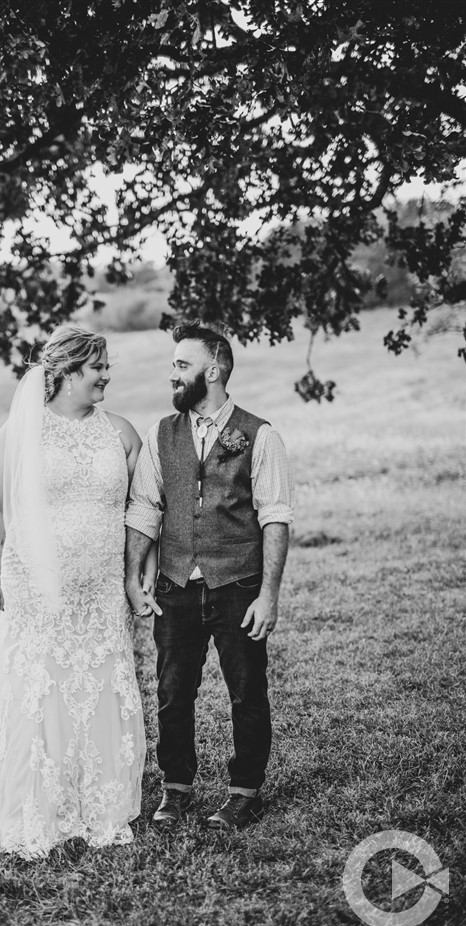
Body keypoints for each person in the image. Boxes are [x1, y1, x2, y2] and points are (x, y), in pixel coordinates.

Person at [0, 325, 150, 857]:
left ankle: (93, 797)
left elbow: (144, 512)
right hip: (34, 586)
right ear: (68, 371)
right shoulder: (19, 432)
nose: (105, 377)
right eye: (97, 367)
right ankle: (32, 798)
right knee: (38, 687)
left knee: (96, 684)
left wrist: (139, 575)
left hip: (99, 590)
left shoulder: (121, 433)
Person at [125, 322, 294, 830]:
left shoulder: (260, 434)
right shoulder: (161, 433)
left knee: (247, 692)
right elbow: (143, 509)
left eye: (182, 365)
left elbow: (275, 517)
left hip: (237, 584)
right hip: (175, 584)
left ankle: (245, 792)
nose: (171, 374)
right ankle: (175, 790)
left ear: (214, 370)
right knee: (173, 693)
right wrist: (134, 577)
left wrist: (268, 595)